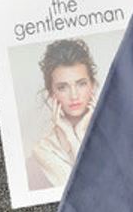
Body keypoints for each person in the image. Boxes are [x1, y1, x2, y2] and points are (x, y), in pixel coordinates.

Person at [32, 39, 98, 187]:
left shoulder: (114, 132)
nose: (74, 95)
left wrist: (81, 132)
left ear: (92, 86)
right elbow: (85, 187)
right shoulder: (44, 149)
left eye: (81, 84)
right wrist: (71, 135)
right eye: (63, 87)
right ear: (52, 93)